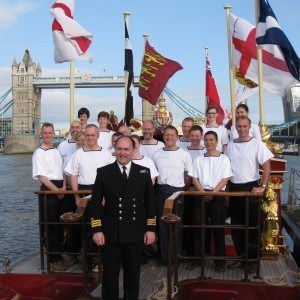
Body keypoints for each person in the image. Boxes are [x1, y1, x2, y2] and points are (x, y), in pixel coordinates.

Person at [89, 136, 156, 300]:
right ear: (115, 150)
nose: (122, 153)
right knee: (110, 275)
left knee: (132, 275)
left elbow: (151, 203)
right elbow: (95, 204)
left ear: (133, 150)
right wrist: (97, 230)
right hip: (111, 232)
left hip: (135, 231)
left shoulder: (143, 172)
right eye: (119, 149)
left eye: (126, 149)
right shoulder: (103, 172)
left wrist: (151, 229)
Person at [225, 116, 273, 271]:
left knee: (252, 226)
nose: (242, 129)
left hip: (250, 188)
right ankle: (241, 257)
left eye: (245, 126)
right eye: (239, 126)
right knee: (236, 225)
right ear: (235, 128)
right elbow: (226, 167)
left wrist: (263, 186)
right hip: (233, 188)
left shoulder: (257, 144)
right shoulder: (231, 145)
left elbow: (266, 166)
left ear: (249, 127)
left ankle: (252, 260)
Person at [65, 124, 115, 271]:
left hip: (102, 191)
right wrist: (76, 197)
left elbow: (111, 177)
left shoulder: (106, 154)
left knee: (104, 226)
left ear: (98, 136)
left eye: (93, 135)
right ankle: (90, 261)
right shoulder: (78, 154)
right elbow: (72, 174)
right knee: (87, 227)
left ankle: (105, 259)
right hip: (84, 191)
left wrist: (107, 195)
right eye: (88, 135)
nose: (90, 138)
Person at [188, 131, 233, 272]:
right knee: (198, 229)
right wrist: (202, 192)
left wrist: (213, 193)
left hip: (217, 196)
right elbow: (194, 178)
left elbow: (225, 178)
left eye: (211, 140)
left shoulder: (224, 159)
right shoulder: (198, 159)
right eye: (206, 140)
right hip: (201, 194)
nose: (208, 142)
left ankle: (220, 263)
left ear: (216, 141)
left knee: (218, 230)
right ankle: (197, 260)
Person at [152, 125, 192, 263]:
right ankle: (165, 257)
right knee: (162, 224)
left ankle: (177, 256)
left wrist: (182, 189)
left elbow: (188, 175)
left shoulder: (184, 154)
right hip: (161, 190)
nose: (169, 137)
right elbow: (154, 175)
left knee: (177, 224)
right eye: (166, 135)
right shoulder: (157, 154)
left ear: (177, 137)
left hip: (177, 192)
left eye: (172, 135)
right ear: (163, 137)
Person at [32, 123, 67, 272]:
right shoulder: (38, 153)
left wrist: (64, 187)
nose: (47, 135)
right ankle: (53, 259)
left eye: (49, 133)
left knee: (60, 224)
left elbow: (63, 171)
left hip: (60, 188)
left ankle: (59, 255)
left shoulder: (56, 151)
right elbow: (42, 176)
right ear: (42, 134)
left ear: (54, 134)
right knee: (50, 225)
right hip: (49, 189)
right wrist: (57, 191)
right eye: (45, 133)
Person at [131, 134, 159, 270]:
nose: (134, 146)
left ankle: (149, 257)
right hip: (127, 201)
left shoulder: (147, 161)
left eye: (135, 143)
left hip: (142, 200)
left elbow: (152, 181)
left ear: (139, 144)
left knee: (145, 228)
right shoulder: (123, 161)